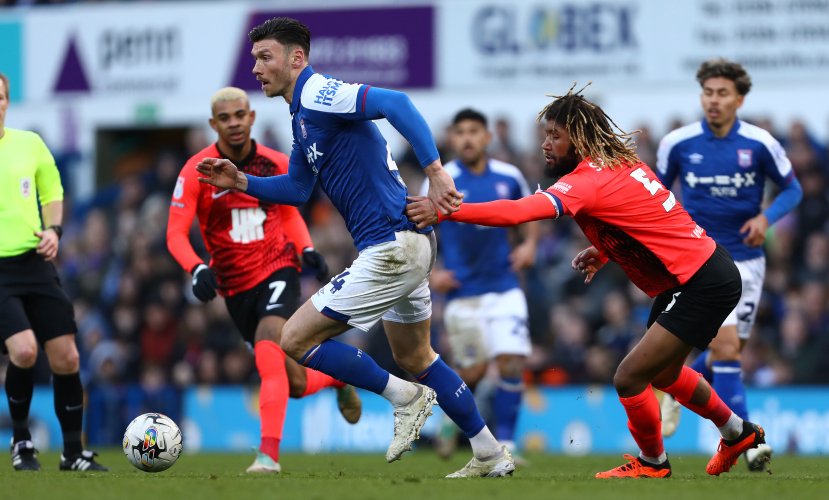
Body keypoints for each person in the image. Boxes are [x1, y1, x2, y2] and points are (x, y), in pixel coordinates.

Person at [194, 17, 513, 478]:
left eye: (265, 57)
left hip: (391, 246)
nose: (257, 69)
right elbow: (299, 189)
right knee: (416, 357)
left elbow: (395, 101)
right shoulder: (300, 117)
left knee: (294, 339)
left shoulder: (319, 92)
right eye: (255, 60)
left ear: (296, 58)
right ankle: (489, 452)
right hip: (407, 242)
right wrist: (242, 181)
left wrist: (437, 170)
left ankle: (404, 397)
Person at [406, 85, 767, 478]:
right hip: (697, 274)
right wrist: (608, 249)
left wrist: (444, 212)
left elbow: (518, 212)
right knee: (663, 373)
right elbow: (650, 217)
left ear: (577, 139)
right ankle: (737, 433)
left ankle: (652, 464)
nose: (546, 144)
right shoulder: (618, 163)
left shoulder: (585, 181)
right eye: (545, 134)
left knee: (630, 377)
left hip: (700, 280)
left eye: (554, 136)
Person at [166, 86, 362, 474]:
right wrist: (197, 267)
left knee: (270, 347)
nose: (234, 123)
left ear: (251, 117)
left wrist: (305, 248)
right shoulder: (197, 170)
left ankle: (268, 455)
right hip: (235, 288)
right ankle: (339, 379)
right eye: (225, 118)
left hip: (277, 269)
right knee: (296, 382)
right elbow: (174, 233)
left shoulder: (275, 161)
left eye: (240, 114)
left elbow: (289, 213)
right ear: (213, 124)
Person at [655, 58, 801, 470]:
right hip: (700, 259)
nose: (713, 101)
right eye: (707, 93)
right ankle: (747, 441)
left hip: (749, 260)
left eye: (722, 93)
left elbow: (793, 190)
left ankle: (673, 385)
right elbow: (652, 194)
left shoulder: (759, 143)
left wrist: (765, 218)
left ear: (739, 99)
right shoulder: (678, 144)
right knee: (726, 346)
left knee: (730, 352)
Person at [0, 72, 107, 472]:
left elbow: (53, 193)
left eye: (0, 97)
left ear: (7, 102)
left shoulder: (29, 144)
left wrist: (55, 231)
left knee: (66, 356)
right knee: (24, 350)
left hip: (35, 263)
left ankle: (72, 452)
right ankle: (21, 441)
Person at [421, 108, 537, 460]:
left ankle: (508, 443)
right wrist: (430, 273)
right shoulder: (441, 181)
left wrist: (530, 243)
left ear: (487, 137)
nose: (467, 138)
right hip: (462, 293)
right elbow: (419, 230)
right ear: (452, 138)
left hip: (505, 286)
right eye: (460, 132)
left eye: (474, 131)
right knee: (470, 371)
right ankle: (447, 424)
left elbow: (533, 210)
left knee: (512, 362)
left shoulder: (509, 175)